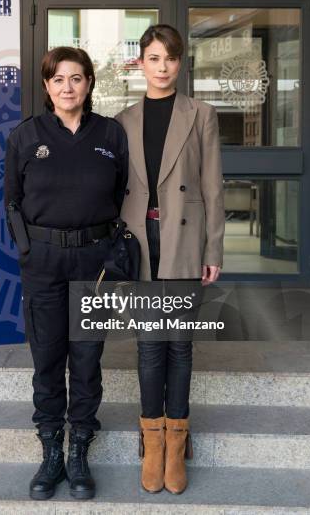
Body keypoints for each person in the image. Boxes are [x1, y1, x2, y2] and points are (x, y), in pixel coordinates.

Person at [4, 46, 128, 501]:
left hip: (94, 261)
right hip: (43, 263)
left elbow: (119, 191)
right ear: (46, 86)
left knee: (87, 359)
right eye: (58, 79)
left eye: (76, 78)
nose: (68, 87)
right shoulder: (25, 136)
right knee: (49, 358)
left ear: (90, 83)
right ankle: (51, 451)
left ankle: (80, 451)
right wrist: (27, 251)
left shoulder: (111, 134)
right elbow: (12, 200)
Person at [115, 24, 225, 495]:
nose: (162, 67)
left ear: (181, 64)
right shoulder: (122, 121)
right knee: (148, 345)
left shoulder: (201, 114)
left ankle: (176, 441)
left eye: (170, 59)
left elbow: (213, 186)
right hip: (142, 240)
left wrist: (213, 248)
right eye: (154, 58)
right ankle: (152, 443)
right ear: (141, 62)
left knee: (180, 344)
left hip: (184, 239)